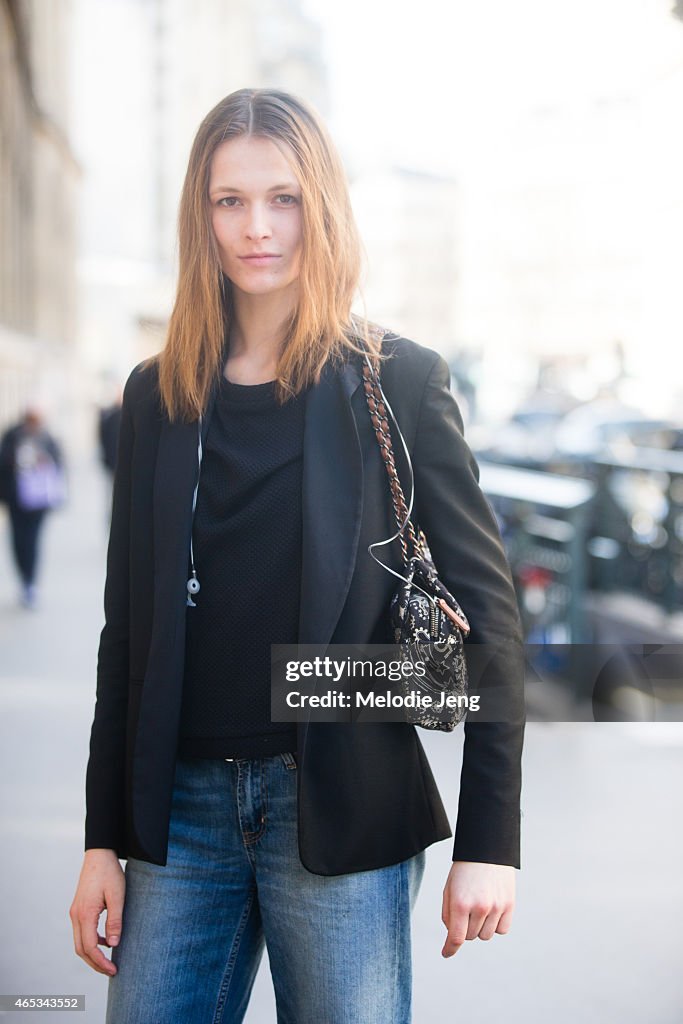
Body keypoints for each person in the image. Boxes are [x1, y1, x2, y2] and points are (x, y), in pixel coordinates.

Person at [69, 88, 526, 1024]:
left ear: (320, 206)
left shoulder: (396, 379)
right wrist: (99, 841)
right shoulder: (157, 396)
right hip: (179, 818)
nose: (256, 228)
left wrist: (491, 842)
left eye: (281, 198)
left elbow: (493, 621)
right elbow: (129, 635)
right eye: (228, 200)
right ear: (200, 216)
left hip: (340, 808)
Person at [0, 404, 66, 609]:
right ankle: (24, 577)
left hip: (38, 502)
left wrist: (43, 461)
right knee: (18, 540)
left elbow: (58, 464)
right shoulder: (12, 435)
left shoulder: (47, 438)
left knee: (33, 540)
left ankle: (30, 581)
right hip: (17, 500)